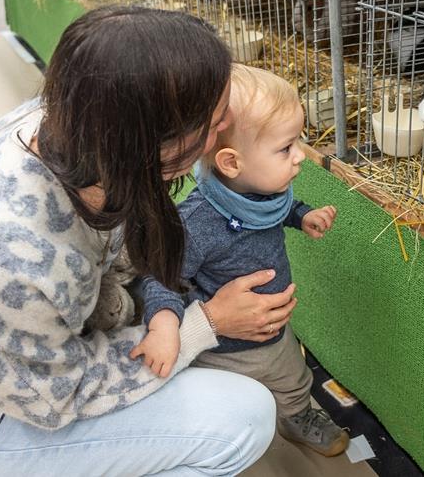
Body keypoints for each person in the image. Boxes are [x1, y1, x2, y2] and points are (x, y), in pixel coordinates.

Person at [0, 6, 300, 476]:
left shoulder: (74, 126)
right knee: (245, 417)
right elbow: (57, 398)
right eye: (215, 122)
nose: (225, 130)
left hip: (22, 355)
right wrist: (206, 323)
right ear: (151, 140)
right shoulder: (6, 265)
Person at [131, 64, 348, 457]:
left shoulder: (261, 190)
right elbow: (161, 276)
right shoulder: (197, 222)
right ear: (232, 162)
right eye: (285, 148)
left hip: (274, 330)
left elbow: (275, 209)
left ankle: (297, 416)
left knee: (293, 378)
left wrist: (301, 216)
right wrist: (163, 324)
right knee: (232, 404)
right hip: (223, 351)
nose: (300, 156)